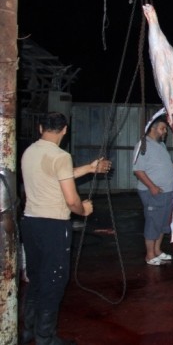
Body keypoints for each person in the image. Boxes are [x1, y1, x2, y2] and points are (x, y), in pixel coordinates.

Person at [20, 111, 111, 345]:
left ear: (41, 128)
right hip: (53, 226)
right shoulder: (61, 156)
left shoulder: (30, 151)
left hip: (30, 223)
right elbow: (71, 201)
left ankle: (28, 330)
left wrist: (89, 168)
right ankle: (45, 338)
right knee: (54, 281)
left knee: (36, 278)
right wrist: (84, 210)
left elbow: (56, 175)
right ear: (65, 130)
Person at [133, 114, 173, 266]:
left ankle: (157, 250)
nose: (165, 132)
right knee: (153, 222)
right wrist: (152, 187)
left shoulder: (161, 145)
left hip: (167, 191)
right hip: (153, 192)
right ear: (153, 128)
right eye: (163, 128)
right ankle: (149, 255)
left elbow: (164, 165)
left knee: (163, 223)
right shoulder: (143, 145)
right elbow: (138, 170)